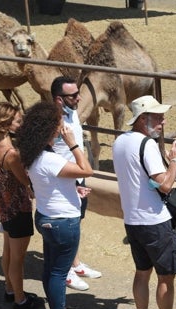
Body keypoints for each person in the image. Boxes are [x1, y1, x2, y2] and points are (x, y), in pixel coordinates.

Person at [112, 95, 176, 309]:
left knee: (141, 273)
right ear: (142, 119)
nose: (163, 121)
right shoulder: (147, 144)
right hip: (156, 222)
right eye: (158, 117)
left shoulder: (120, 141)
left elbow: (141, 176)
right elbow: (165, 187)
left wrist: (169, 169)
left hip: (133, 220)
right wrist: (175, 160)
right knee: (165, 278)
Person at [17, 101, 93, 309]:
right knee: (59, 273)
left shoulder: (34, 156)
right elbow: (87, 170)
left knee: (51, 269)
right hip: (63, 222)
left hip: (46, 217)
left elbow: (51, 182)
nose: (63, 129)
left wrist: (74, 190)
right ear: (49, 130)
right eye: (59, 126)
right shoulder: (51, 160)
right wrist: (74, 144)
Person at [0, 102, 43, 309]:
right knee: (17, 259)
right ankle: (20, 299)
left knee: (8, 251)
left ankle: (10, 289)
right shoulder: (11, 153)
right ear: (7, 124)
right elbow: (25, 180)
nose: (21, 124)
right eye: (18, 121)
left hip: (2, 205)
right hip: (17, 208)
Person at [51, 76, 101, 291]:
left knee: (76, 223)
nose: (79, 97)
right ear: (59, 99)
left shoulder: (71, 114)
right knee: (65, 229)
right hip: (63, 181)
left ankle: (75, 263)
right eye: (73, 95)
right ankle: (66, 272)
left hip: (77, 178)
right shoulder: (53, 121)